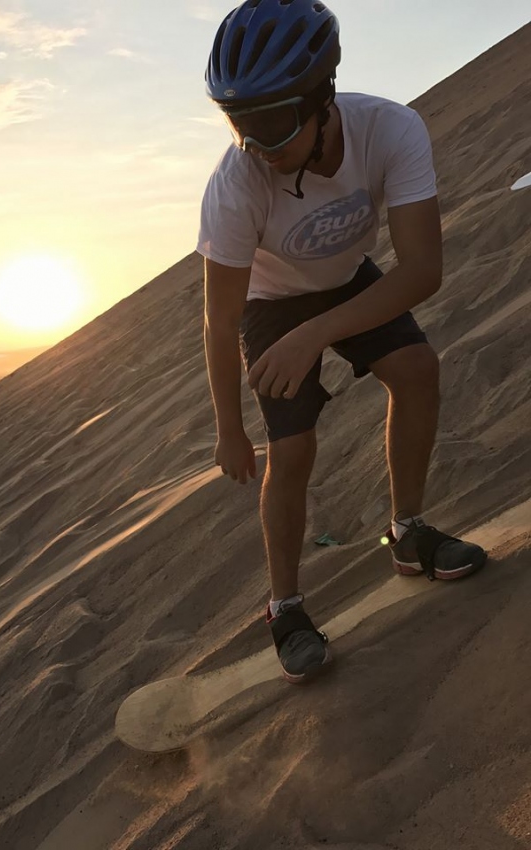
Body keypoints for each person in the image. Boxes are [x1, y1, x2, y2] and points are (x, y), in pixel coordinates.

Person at [197, 0, 487, 684]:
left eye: (271, 123)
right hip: (270, 303)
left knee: (417, 369)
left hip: (346, 280)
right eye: (239, 124)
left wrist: (318, 333)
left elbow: (423, 270)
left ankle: (409, 533)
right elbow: (218, 319)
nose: (257, 147)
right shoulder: (235, 186)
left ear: (322, 96)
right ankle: (286, 607)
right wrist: (228, 428)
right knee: (291, 450)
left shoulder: (390, 128)